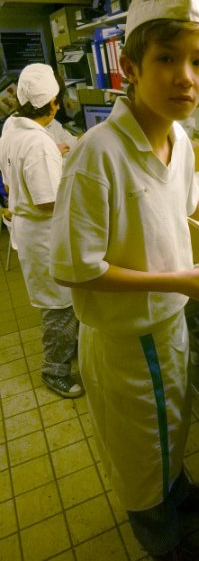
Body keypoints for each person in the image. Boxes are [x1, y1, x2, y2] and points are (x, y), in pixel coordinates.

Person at [49, 0, 199, 561]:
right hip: (126, 343)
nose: (186, 77)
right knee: (139, 449)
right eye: (167, 58)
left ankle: (177, 491)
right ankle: (162, 541)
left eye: (198, 61)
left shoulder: (176, 139)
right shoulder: (95, 156)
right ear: (131, 67)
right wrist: (180, 281)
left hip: (170, 325)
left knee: (171, 429)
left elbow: (188, 198)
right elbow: (76, 269)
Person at [0, 63, 82, 398]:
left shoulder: (12, 128)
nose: (59, 106)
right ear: (50, 103)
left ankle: (67, 349)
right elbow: (49, 201)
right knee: (59, 305)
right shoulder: (38, 144)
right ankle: (54, 370)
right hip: (44, 235)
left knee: (64, 303)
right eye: (57, 101)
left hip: (30, 228)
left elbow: (13, 178)